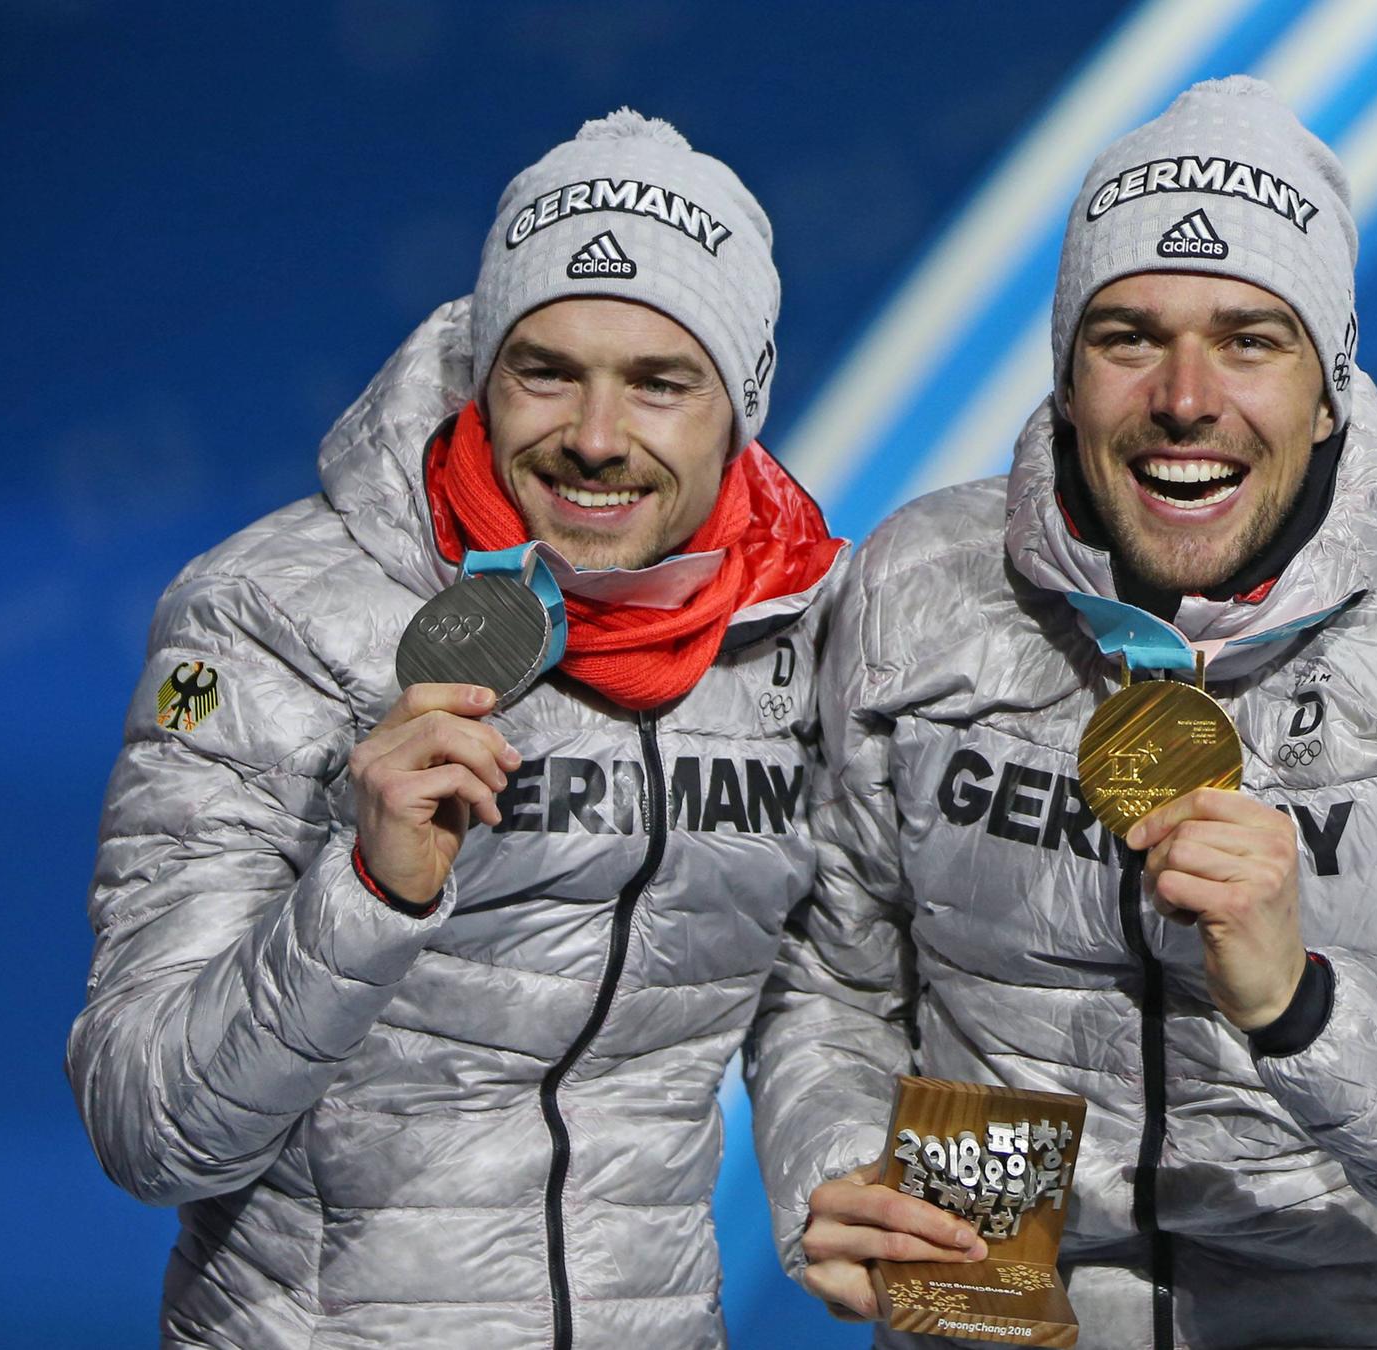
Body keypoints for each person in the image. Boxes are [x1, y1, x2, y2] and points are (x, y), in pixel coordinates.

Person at [753, 76, 1377, 1348]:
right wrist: (842, 1170)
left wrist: (1302, 1003)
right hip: (991, 1308)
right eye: (1128, 337)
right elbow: (836, 978)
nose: (1183, 396)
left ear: (1328, 390)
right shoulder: (920, 588)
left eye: (1248, 339)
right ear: (1065, 377)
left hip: (1331, 1315)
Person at [68, 110, 844, 1349]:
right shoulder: (267, 616)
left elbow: (830, 978)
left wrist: (835, 1174)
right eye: (547, 370)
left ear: (739, 404)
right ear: (485, 367)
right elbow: (149, 1129)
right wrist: (364, 892)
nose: (595, 438)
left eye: (659, 382)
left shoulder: (801, 630)